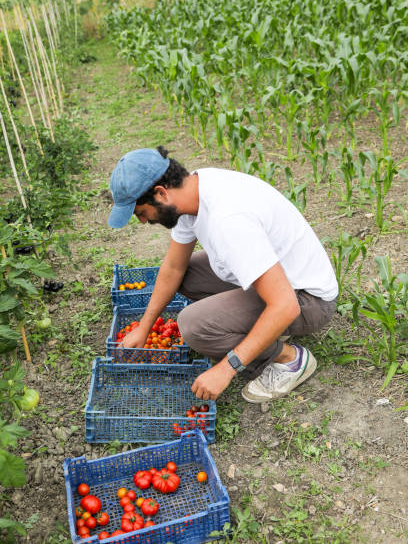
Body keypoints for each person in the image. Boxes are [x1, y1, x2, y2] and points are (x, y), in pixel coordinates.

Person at [108, 146, 338, 403]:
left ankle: (290, 360)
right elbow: (173, 268)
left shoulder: (228, 220)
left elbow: (285, 305)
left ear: (161, 193)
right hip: (280, 280)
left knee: (194, 326)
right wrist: (144, 326)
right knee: (186, 273)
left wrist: (226, 369)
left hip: (307, 300)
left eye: (141, 213)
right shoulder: (192, 191)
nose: (143, 221)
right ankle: (257, 327)